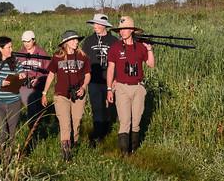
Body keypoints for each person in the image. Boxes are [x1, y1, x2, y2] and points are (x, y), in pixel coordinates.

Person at [106, 16, 155, 155]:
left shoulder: (140, 47)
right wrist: (109, 89)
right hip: (121, 87)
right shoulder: (115, 48)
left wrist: (149, 49)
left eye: (125, 29)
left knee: (136, 121)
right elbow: (110, 69)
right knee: (124, 120)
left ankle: (134, 149)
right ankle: (124, 153)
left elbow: (151, 64)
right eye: (120, 29)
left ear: (132, 30)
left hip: (138, 88)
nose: (122, 32)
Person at [41, 30, 91, 161]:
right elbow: (51, 74)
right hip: (61, 95)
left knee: (76, 122)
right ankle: (66, 155)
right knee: (65, 124)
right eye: (73, 40)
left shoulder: (82, 56)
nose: (76, 42)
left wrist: (83, 87)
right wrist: (44, 93)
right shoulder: (57, 57)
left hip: (78, 94)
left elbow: (88, 74)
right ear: (66, 42)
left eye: (77, 40)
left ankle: (72, 145)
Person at [82, 14, 118, 144]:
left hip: (109, 80)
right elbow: (84, 60)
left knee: (109, 108)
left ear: (104, 26)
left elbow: (119, 61)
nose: (95, 26)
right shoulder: (89, 41)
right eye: (94, 24)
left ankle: (107, 132)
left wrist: (116, 79)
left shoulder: (114, 41)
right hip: (94, 80)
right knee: (97, 107)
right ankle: (97, 135)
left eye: (97, 24)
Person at [18, 30, 50, 129]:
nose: (26, 44)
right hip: (24, 86)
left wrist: (38, 79)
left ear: (34, 40)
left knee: (38, 109)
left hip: (38, 85)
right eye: (24, 41)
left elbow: (48, 71)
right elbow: (15, 69)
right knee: (31, 107)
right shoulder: (20, 53)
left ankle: (39, 128)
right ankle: (31, 129)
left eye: (28, 41)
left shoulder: (41, 53)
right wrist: (20, 75)